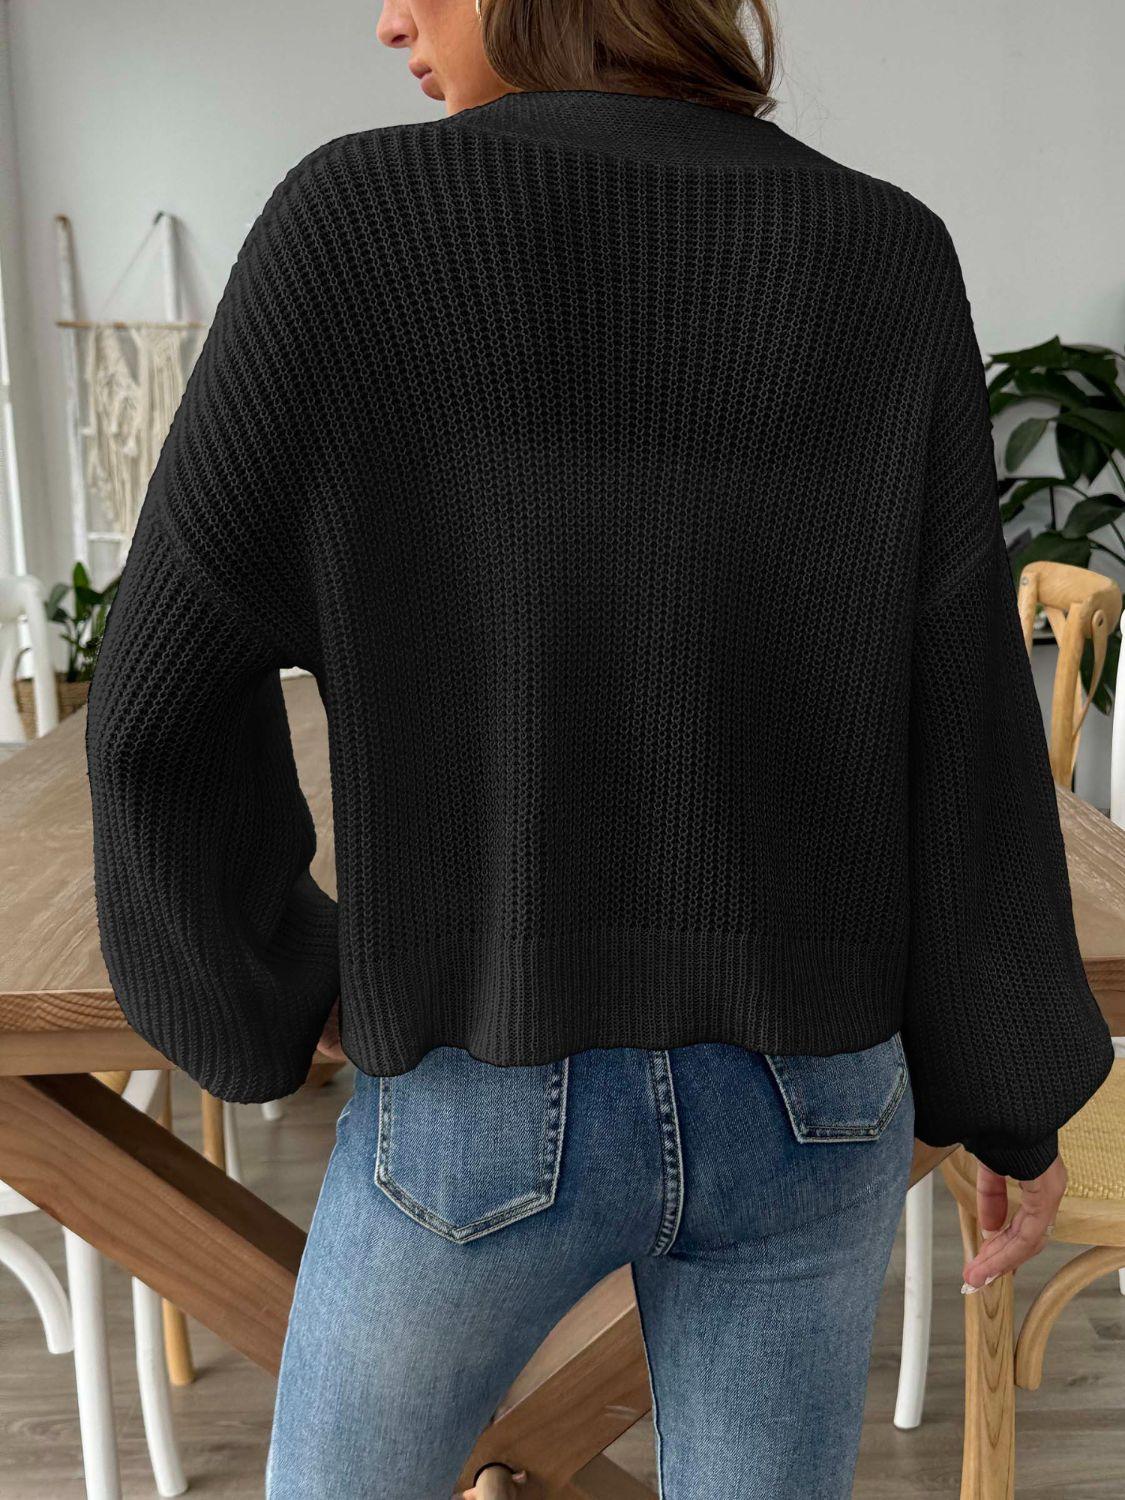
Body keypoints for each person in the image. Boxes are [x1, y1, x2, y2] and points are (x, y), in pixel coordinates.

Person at [83, 1, 1115, 1496]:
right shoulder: (881, 247)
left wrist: (277, 986)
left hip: (480, 1084)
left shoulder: (353, 223)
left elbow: (155, 700)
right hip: (813, 1096)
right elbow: (960, 713)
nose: (388, 18)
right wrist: (1007, 1086)